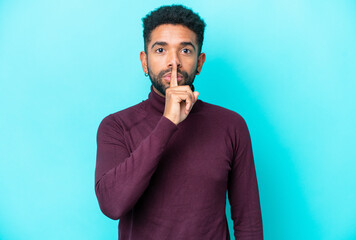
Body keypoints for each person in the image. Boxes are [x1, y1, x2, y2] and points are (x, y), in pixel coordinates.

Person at [95, 4, 263, 240]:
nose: (173, 61)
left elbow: (249, 222)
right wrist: (168, 122)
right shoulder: (116, 126)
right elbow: (112, 205)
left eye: (185, 51)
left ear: (200, 62)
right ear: (144, 61)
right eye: (160, 50)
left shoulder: (231, 125)